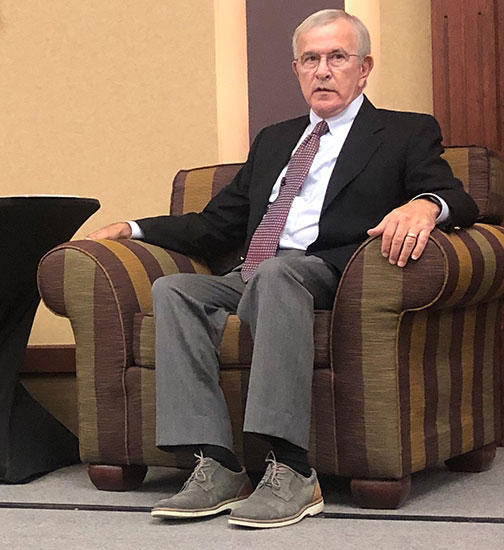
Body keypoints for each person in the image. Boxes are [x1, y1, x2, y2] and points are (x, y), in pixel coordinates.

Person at [87, 10, 478, 529]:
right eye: (310, 59)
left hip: (329, 274)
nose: (323, 70)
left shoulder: (404, 132)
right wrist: (133, 228)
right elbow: (215, 225)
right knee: (175, 290)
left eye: (337, 57)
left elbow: (458, 198)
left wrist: (426, 205)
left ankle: (292, 470)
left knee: (277, 274)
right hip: (253, 274)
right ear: (296, 70)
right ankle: (217, 466)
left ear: (364, 68)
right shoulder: (275, 139)